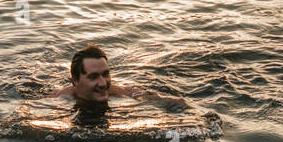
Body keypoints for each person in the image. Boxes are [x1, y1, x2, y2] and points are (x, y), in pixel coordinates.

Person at [56, 44, 186, 110]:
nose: (102, 84)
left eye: (105, 74)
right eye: (93, 77)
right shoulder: (58, 99)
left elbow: (154, 99)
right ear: (75, 80)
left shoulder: (119, 92)